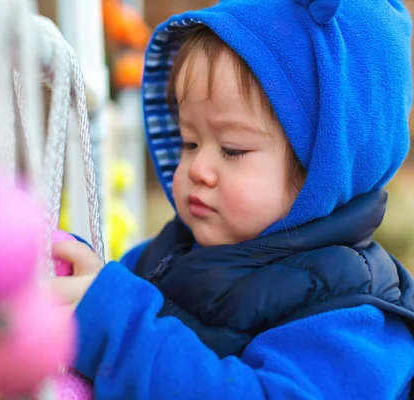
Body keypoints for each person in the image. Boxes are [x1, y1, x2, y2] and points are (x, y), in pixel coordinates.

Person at [51, 0, 414, 398]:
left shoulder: (355, 321)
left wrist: (116, 325)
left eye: (232, 150)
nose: (195, 168)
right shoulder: (165, 256)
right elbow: (109, 300)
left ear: (324, 171)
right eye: (189, 141)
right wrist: (73, 274)